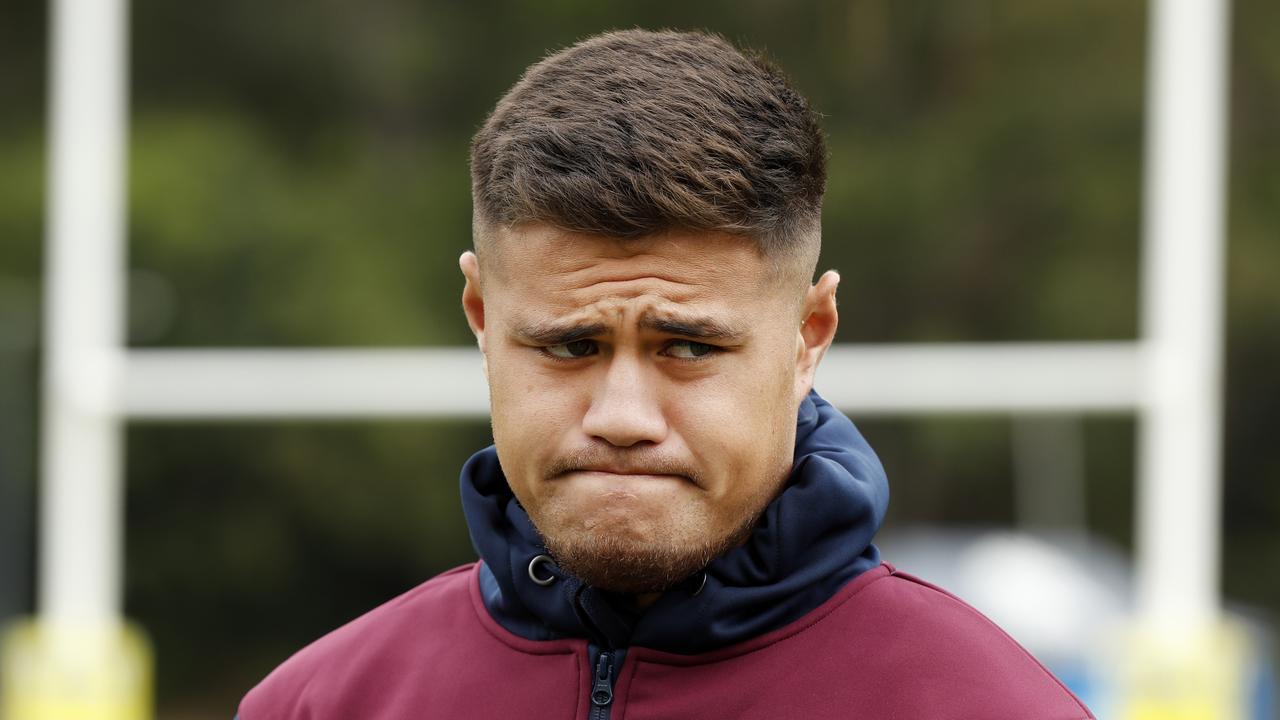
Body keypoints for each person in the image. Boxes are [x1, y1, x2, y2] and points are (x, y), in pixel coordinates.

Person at [238, 29, 1093, 719]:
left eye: (687, 348)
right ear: (482, 317)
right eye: (570, 346)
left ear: (809, 336)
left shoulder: (984, 705)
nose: (621, 416)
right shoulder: (319, 704)